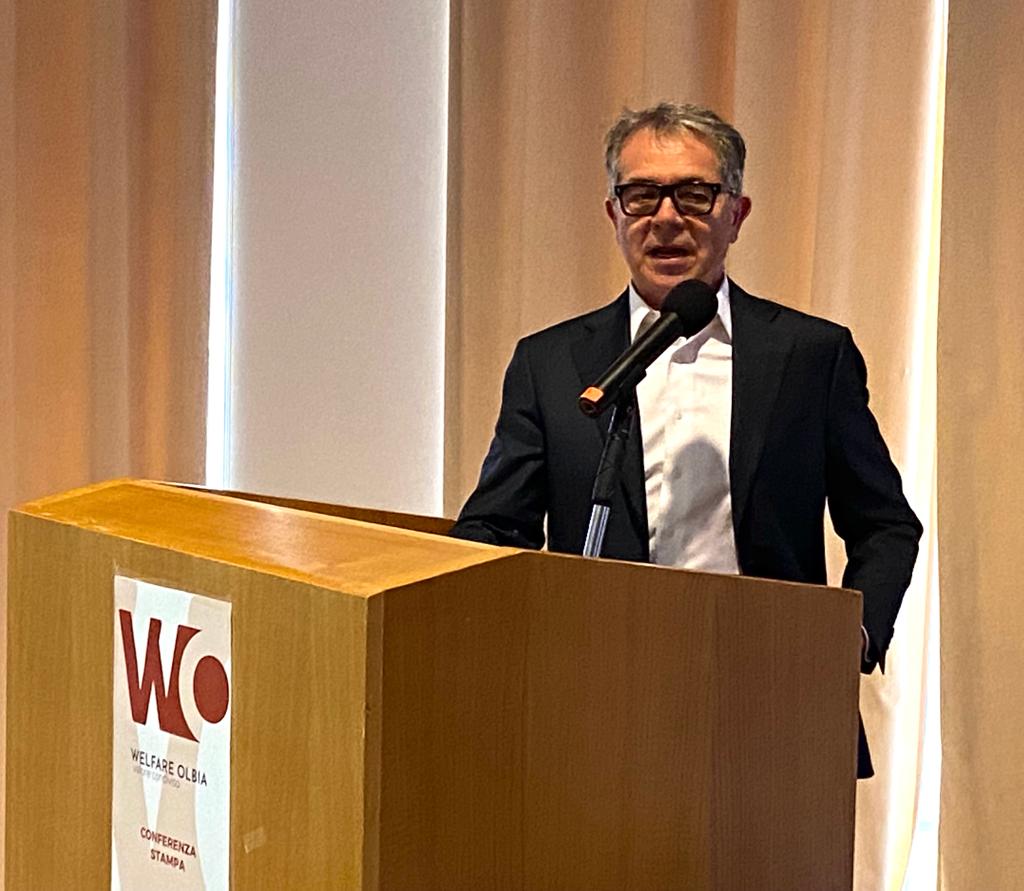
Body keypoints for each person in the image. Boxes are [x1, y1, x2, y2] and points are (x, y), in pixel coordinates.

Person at [449, 102, 922, 778]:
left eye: (694, 194)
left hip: (775, 704)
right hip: (596, 707)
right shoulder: (549, 363)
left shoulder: (810, 355)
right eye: (641, 194)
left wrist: (851, 637)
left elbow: (885, 524)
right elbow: (496, 527)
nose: (666, 217)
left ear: (737, 212)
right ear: (613, 213)